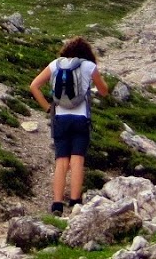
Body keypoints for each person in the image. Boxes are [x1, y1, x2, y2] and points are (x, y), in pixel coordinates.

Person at [29, 36, 109, 216]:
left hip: (60, 118)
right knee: (77, 159)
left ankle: (57, 205)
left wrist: (48, 107)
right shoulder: (89, 66)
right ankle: (75, 203)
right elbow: (104, 91)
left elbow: (34, 86)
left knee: (61, 161)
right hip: (81, 118)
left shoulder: (55, 65)